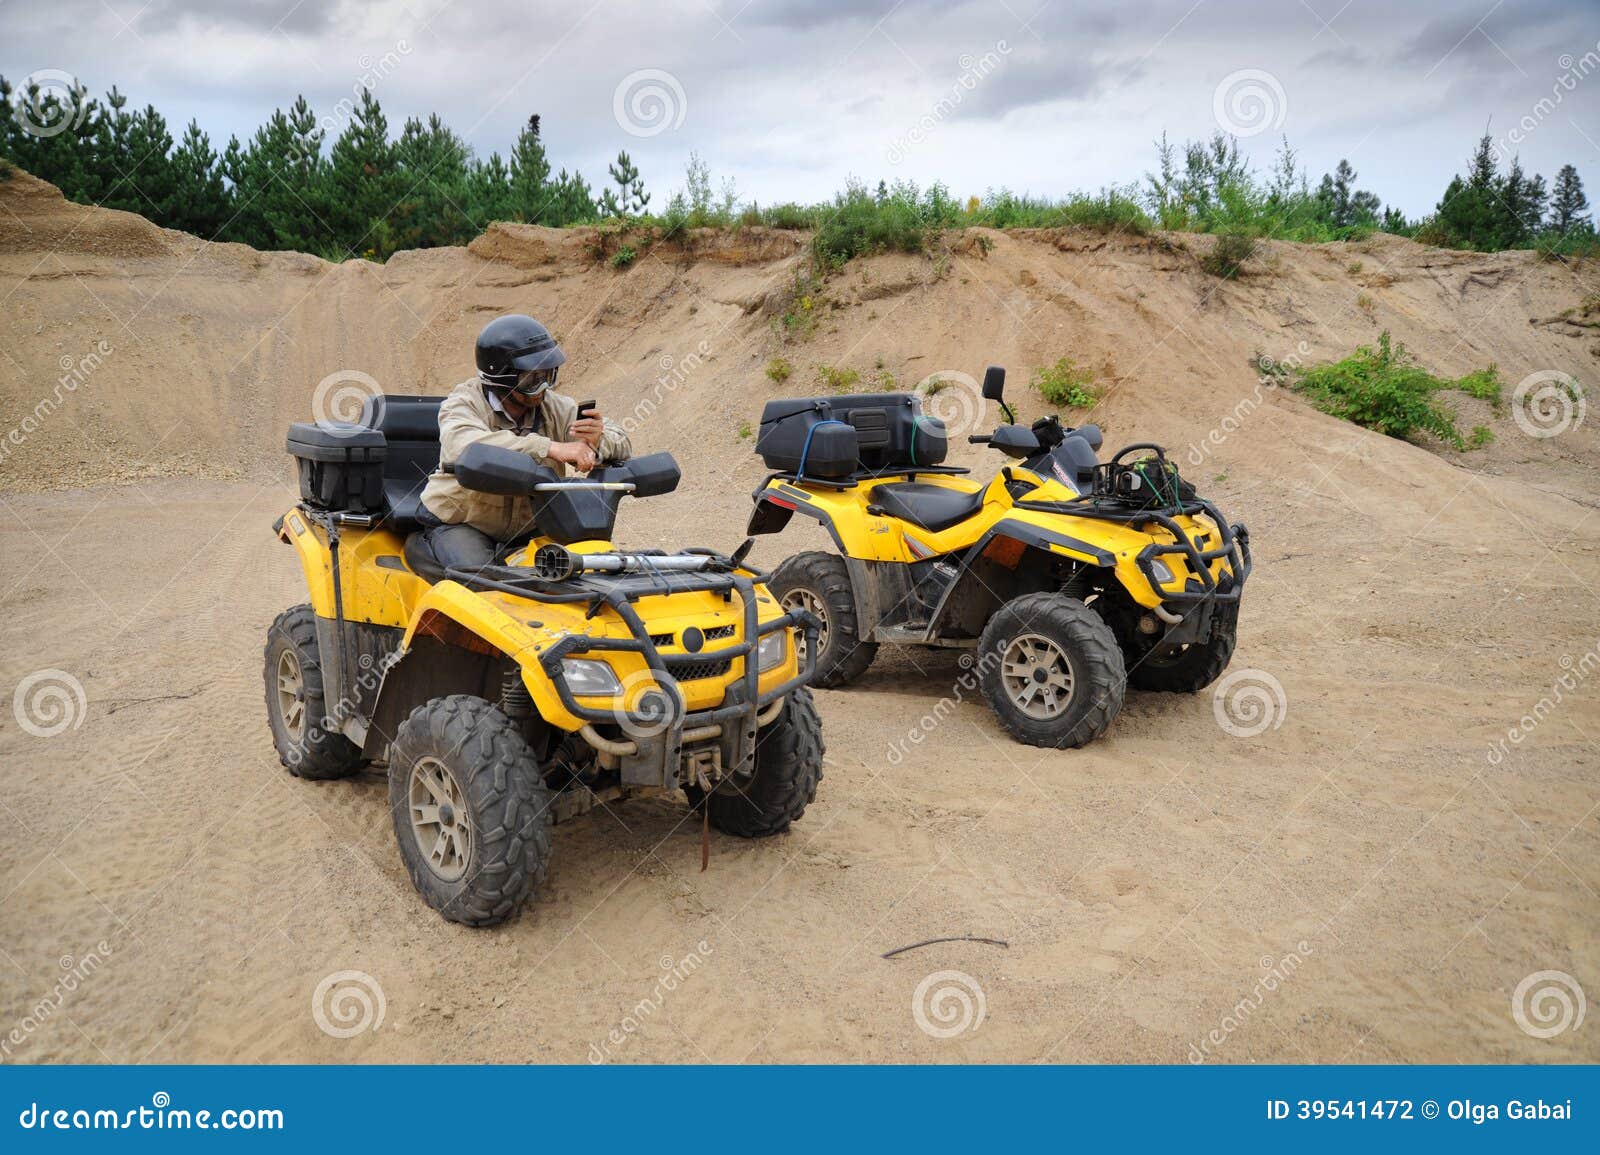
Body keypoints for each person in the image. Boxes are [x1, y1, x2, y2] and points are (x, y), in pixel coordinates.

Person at [417, 314, 631, 570]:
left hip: (528, 528)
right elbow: (465, 447)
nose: (542, 387)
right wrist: (550, 447)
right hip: (462, 522)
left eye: (548, 375)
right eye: (532, 379)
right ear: (502, 377)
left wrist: (597, 440)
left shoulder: (552, 405)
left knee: (586, 569)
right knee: (480, 582)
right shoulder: (463, 403)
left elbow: (622, 439)